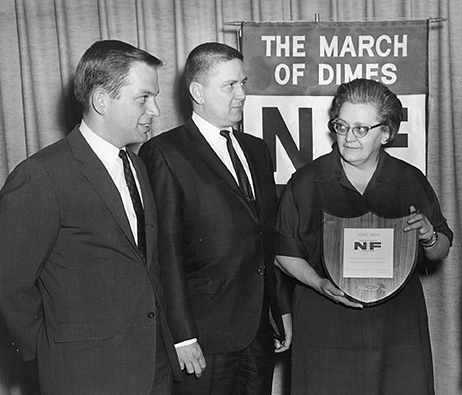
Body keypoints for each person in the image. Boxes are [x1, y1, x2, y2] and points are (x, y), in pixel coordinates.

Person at [0, 40, 181, 395]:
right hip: (85, 375)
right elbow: (9, 281)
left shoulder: (137, 166)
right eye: (144, 98)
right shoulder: (42, 175)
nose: (156, 110)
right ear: (101, 100)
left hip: (153, 368)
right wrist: (51, 351)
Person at [274, 78, 452, 395]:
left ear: (385, 132)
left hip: (397, 326)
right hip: (326, 320)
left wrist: (428, 237)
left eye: (360, 129)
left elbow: (440, 249)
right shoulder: (307, 181)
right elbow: (283, 250)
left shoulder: (409, 180)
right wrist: (319, 284)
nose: (348, 138)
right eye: (341, 126)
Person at [138, 42, 291, 395]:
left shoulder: (257, 149)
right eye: (230, 86)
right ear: (197, 92)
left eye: (243, 83)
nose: (242, 94)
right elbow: (166, 253)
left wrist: (279, 309)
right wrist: (182, 335)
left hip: (259, 331)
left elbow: (265, 240)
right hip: (204, 337)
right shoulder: (164, 153)